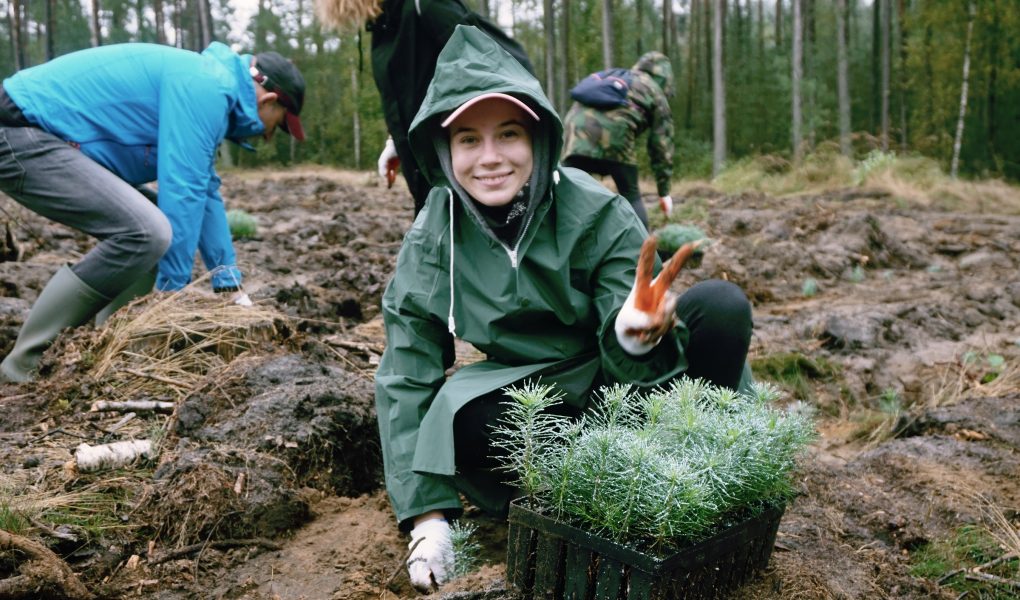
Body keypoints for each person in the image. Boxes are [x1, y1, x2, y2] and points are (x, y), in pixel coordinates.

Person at [375, 25, 754, 591]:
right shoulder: (434, 233)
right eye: (468, 140)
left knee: (721, 307)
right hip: (539, 398)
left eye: (508, 134)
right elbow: (406, 372)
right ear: (444, 150)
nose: (490, 158)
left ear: (539, 138)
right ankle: (599, 487)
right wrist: (428, 519)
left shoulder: (596, 210)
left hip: (626, 384)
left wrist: (632, 337)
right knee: (457, 421)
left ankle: (696, 479)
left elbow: (638, 362)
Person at [0, 42, 306, 383]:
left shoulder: (209, 84)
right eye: (278, 125)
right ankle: (22, 369)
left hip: (44, 136)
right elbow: (182, 188)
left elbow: (204, 190)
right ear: (269, 101)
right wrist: (169, 298)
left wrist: (228, 282)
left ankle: (109, 352)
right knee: (147, 231)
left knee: (157, 231)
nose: (268, 137)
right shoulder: (205, 86)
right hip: (20, 132)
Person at [316, 0, 534, 216]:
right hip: (423, 175)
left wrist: (485, 140)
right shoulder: (385, 23)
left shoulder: (427, 6)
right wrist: (396, 141)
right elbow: (407, 92)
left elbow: (507, 63)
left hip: (460, 174)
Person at [561, 51, 677, 231]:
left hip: (573, 136)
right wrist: (664, 191)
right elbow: (661, 145)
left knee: (567, 196)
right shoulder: (654, 89)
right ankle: (642, 252)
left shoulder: (613, 76)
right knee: (630, 195)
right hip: (614, 138)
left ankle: (564, 248)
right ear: (664, 77)